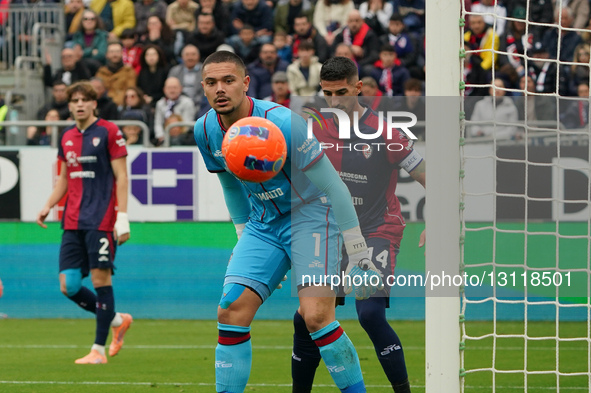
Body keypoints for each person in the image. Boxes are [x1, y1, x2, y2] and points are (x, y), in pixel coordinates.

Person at [195, 50, 382, 393]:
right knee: (231, 310)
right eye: (211, 82)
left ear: (245, 84)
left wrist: (358, 252)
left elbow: (333, 186)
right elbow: (229, 184)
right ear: (203, 88)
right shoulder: (204, 129)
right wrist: (241, 238)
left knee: (316, 317)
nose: (219, 88)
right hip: (262, 224)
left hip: (311, 215)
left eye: (228, 80)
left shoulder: (284, 123)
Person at [291, 55, 423, 393]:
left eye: (342, 93)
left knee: (370, 313)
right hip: (332, 232)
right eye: (328, 94)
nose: (335, 101)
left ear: (359, 88)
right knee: (306, 318)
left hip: (378, 229)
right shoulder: (313, 128)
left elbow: (430, 176)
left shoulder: (387, 132)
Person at [36, 81, 133, 364]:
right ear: (69, 106)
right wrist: (47, 205)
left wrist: (123, 216)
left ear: (94, 103)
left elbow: (122, 177)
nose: (79, 104)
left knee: (101, 280)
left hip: (101, 219)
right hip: (72, 219)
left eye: (84, 99)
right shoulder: (66, 137)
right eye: (74, 100)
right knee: (69, 284)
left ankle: (97, 351)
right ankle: (117, 320)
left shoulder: (109, 131)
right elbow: (64, 178)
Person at [154, 77, 196, 144]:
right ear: (164, 89)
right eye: (169, 88)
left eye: (175, 87)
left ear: (180, 88)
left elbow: (187, 124)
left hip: (182, 138)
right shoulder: (160, 104)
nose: (172, 90)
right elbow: (158, 123)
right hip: (164, 138)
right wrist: (161, 136)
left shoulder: (187, 102)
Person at [96, 42, 138, 107]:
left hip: (123, 105)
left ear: (122, 54)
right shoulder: (101, 73)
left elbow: (131, 89)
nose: (115, 54)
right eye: (112, 52)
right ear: (107, 54)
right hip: (105, 105)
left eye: (117, 51)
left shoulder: (129, 71)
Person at [167, 44, 204, 114]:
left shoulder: (204, 71)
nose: (190, 57)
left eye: (193, 54)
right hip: (179, 105)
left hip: (200, 105)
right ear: (182, 57)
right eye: (187, 55)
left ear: (198, 56)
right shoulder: (174, 71)